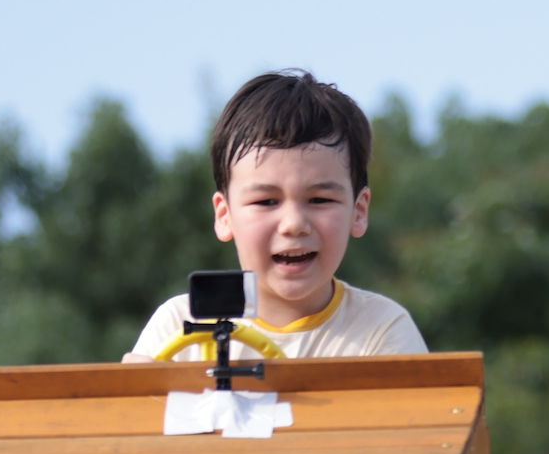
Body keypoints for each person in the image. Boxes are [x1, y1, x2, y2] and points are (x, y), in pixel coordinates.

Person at [127, 71, 426, 362]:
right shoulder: (179, 326)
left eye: (320, 199)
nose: (294, 223)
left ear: (358, 211)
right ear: (224, 215)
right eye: (266, 201)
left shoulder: (382, 330)